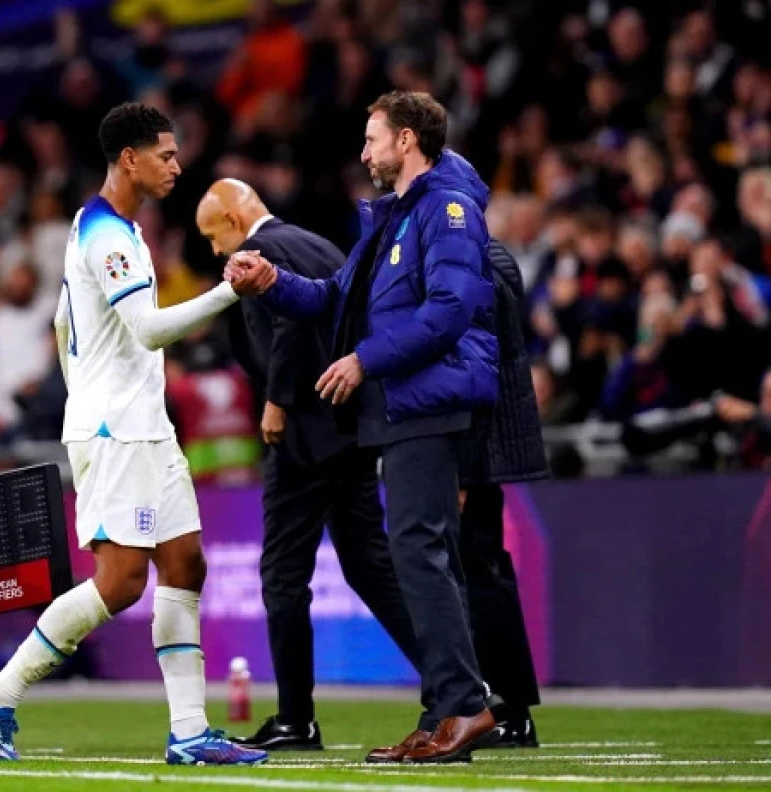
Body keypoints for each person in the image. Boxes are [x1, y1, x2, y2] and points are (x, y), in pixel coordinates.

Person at [0, 102, 267, 767]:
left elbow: (69, 329)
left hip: (144, 425)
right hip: (113, 429)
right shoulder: (105, 236)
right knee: (123, 580)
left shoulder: (108, 227)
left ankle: (189, 732)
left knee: (185, 562)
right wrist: (228, 291)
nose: (177, 166)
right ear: (129, 159)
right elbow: (150, 330)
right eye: (166, 155)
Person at [227, 91, 499, 764]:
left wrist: (364, 358)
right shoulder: (392, 220)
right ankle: (446, 710)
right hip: (402, 408)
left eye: (372, 139)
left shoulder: (446, 210)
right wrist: (270, 281)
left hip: (429, 405)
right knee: (416, 556)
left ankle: (463, 706)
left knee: (421, 554)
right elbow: (330, 299)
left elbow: (450, 309)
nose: (363, 152)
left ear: (407, 141)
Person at [195, 178, 422, 751]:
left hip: (304, 432)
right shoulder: (318, 244)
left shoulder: (265, 251)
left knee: (283, 575)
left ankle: (297, 717)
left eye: (211, 235)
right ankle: (463, 684)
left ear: (231, 215)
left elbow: (294, 323)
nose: (216, 253)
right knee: (371, 567)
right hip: (347, 427)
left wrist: (277, 397)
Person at [458, 240, 549, 748]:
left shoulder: (472, 262)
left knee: (480, 575)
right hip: (483, 447)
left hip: (474, 447)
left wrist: (465, 469)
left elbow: (476, 366)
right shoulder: (493, 257)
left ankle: (507, 709)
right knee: (484, 571)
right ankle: (506, 708)